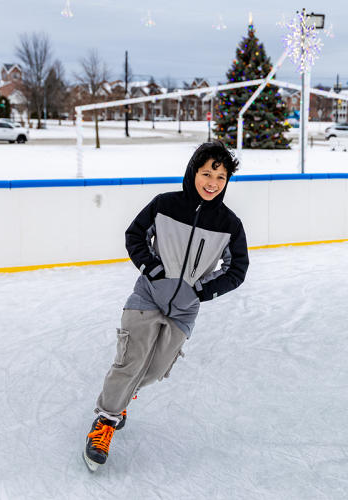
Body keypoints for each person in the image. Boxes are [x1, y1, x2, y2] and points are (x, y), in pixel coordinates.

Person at [83, 141, 249, 471]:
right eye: (206, 173)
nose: (213, 182)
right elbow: (135, 236)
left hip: (185, 310)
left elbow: (237, 269)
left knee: (155, 369)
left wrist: (201, 291)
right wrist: (154, 270)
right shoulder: (165, 204)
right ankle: (104, 422)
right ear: (193, 173)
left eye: (221, 176)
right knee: (130, 362)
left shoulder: (230, 224)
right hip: (148, 296)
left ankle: (121, 400)